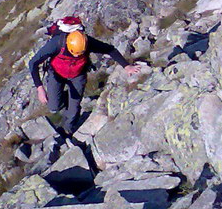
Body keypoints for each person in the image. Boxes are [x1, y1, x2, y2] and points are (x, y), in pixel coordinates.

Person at [28, 16, 139, 147]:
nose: (76, 56)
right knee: (54, 107)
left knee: (74, 108)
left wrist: (127, 66)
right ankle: (64, 99)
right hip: (56, 74)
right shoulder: (56, 43)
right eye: (74, 53)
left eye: (79, 54)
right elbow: (33, 62)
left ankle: (67, 132)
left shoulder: (87, 42)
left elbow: (110, 49)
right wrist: (40, 88)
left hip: (77, 75)